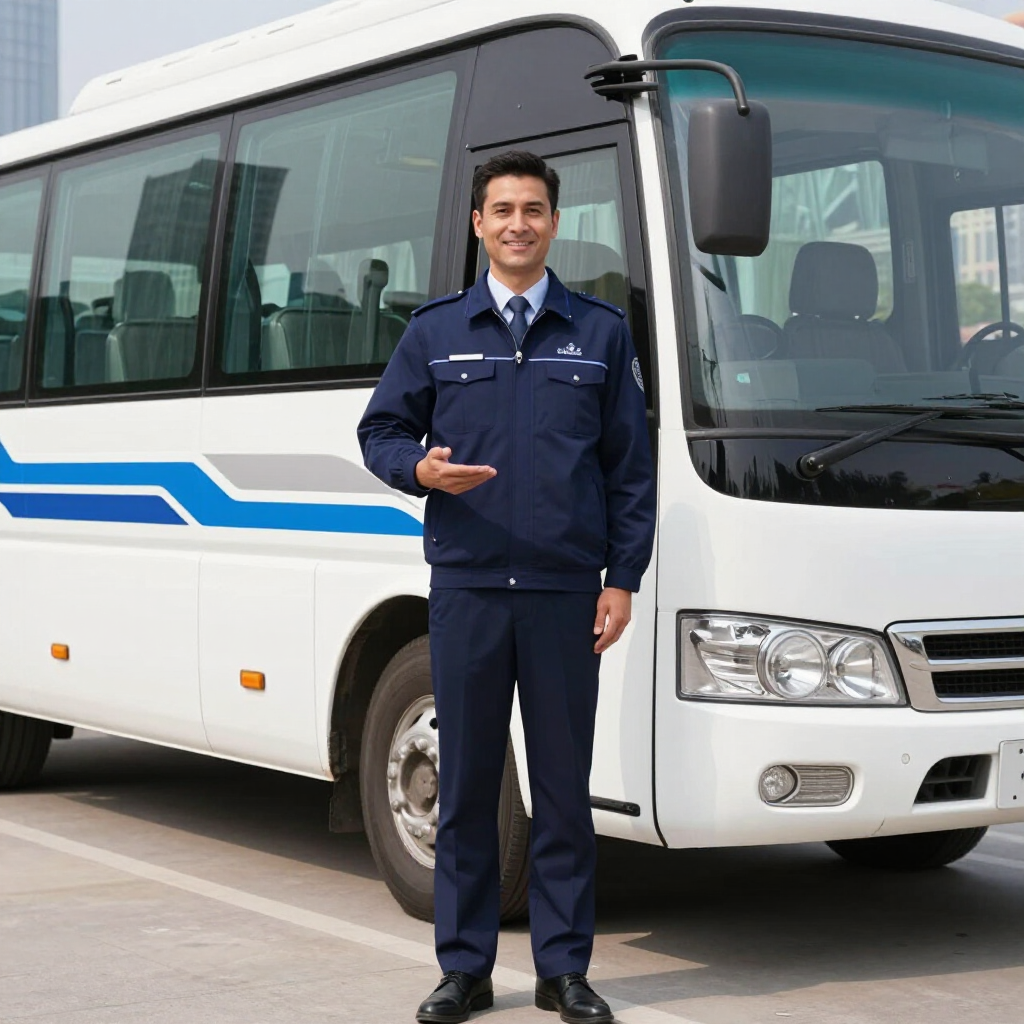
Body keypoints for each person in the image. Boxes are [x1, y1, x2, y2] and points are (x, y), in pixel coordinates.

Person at [358, 150, 656, 1024]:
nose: (519, 223)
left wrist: (623, 580)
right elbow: (379, 427)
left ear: (555, 223)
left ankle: (565, 971)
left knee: (563, 792)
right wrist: (418, 469)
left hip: (567, 595)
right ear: (479, 226)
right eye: (503, 210)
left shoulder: (598, 333)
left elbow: (629, 472)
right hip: (470, 591)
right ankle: (465, 968)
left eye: (534, 209)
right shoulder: (436, 332)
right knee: (468, 790)